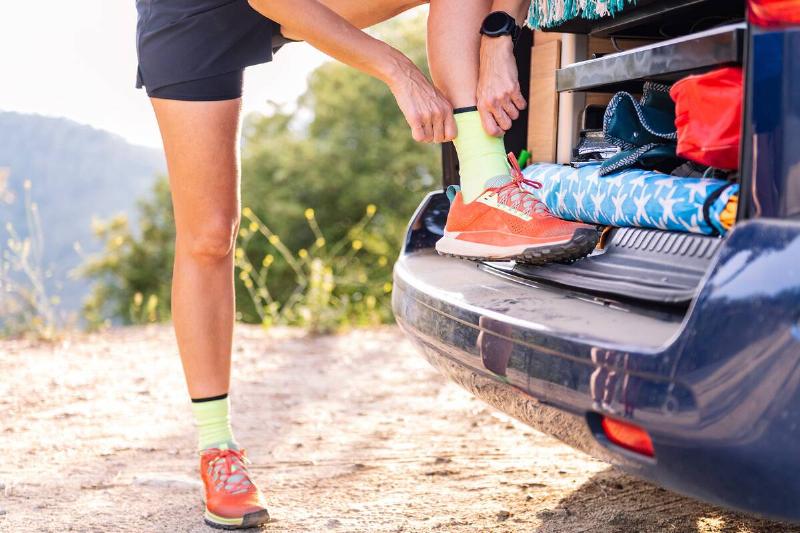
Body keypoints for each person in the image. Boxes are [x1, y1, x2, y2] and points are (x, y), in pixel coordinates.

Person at [135, 0, 595, 528]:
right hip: (191, 14)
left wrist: (499, 38)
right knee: (208, 237)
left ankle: (484, 186)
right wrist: (396, 68)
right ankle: (218, 449)